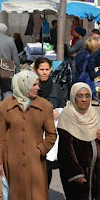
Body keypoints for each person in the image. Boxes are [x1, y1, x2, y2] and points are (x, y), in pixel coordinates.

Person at [0, 70, 57, 200]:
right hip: (12, 159)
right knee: (17, 197)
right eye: (34, 84)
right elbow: (0, 138)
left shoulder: (45, 106)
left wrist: (41, 149)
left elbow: (52, 134)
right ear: (23, 85)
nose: (38, 87)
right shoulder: (5, 106)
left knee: (38, 198)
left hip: (35, 159)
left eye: (38, 84)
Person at [34, 57, 63, 188]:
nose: (45, 72)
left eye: (47, 69)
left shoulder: (56, 88)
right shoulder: (31, 88)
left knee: (47, 167)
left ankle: (44, 194)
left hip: (50, 134)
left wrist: (60, 112)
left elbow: (63, 106)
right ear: (36, 70)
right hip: (34, 132)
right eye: (42, 69)